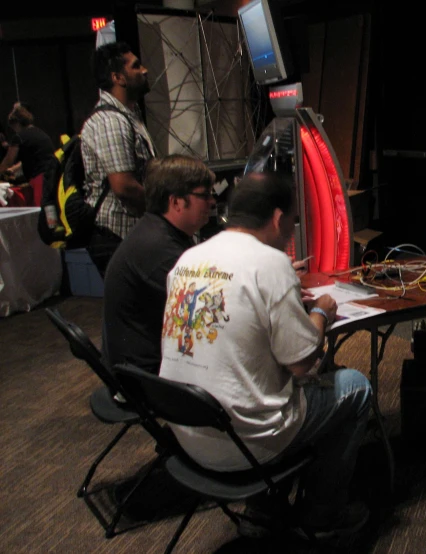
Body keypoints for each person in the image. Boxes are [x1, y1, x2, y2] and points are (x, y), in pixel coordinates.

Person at [158, 171, 372, 539]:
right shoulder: (271, 264)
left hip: (188, 437)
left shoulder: (186, 260)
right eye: (291, 221)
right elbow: (303, 362)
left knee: (265, 379)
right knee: (354, 386)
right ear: (277, 218)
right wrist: (321, 311)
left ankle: (265, 509)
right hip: (246, 445)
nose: (290, 230)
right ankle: (323, 517)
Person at [103, 154, 216, 376]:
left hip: (144, 365)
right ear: (175, 202)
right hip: (144, 378)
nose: (213, 201)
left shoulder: (160, 231)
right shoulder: (159, 249)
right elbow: (209, 308)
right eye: (205, 195)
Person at [81, 41, 156, 276]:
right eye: (136, 66)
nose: (144, 71)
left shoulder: (128, 114)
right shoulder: (110, 121)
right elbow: (124, 186)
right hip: (116, 235)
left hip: (128, 234)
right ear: (118, 77)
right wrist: (165, 209)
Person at [0, 104, 56, 208]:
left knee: (42, 210)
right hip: (54, 174)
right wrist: (13, 170)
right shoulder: (39, 132)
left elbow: (8, 160)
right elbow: (34, 156)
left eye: (13, 128)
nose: (13, 131)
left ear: (16, 123)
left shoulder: (19, 137)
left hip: (41, 177)